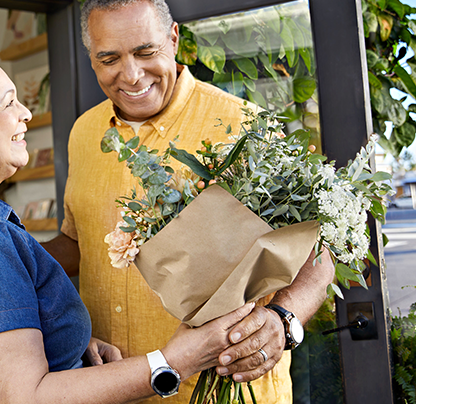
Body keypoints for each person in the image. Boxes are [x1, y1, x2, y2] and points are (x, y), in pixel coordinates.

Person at [0, 48, 268, 403]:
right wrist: (171, 361)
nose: (26, 113)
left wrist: (64, 341)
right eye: (8, 101)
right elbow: (25, 397)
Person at [41, 1, 337, 403]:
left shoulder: (244, 126)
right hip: (114, 390)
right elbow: (81, 243)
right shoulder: (83, 133)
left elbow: (316, 251)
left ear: (174, 39)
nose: (131, 75)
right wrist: (1, 258)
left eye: (146, 52)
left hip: (226, 392)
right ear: (91, 58)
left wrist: (283, 321)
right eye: (109, 58)